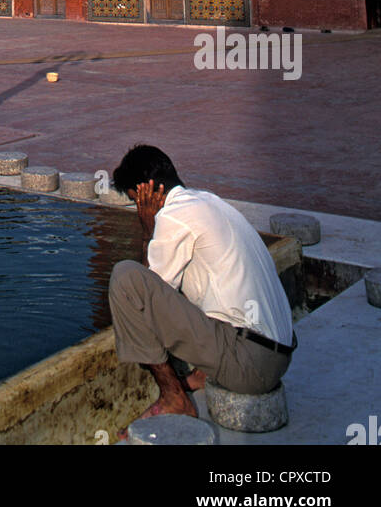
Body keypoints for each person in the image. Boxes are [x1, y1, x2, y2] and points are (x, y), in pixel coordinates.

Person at [109, 144, 296, 422]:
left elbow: (146, 299)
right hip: (277, 357)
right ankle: (201, 373)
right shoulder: (209, 201)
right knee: (190, 278)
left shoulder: (173, 216)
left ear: (148, 192)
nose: (139, 208)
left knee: (125, 278)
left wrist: (148, 231)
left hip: (250, 365)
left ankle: (173, 397)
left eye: (137, 200)